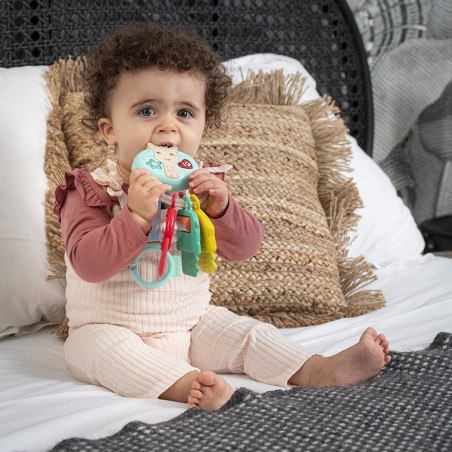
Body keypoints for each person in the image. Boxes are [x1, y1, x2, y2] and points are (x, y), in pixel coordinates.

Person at [54, 22, 391, 411]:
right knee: (96, 350)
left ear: (203, 126)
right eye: (147, 110)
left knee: (249, 334)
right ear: (109, 130)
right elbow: (89, 265)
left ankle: (317, 369)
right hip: (108, 328)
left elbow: (246, 247)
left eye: (185, 112)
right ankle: (187, 385)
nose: (168, 126)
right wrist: (135, 216)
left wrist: (223, 210)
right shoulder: (91, 189)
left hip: (192, 323)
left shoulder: (200, 188)